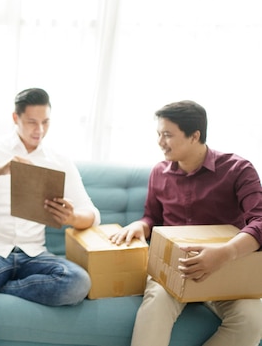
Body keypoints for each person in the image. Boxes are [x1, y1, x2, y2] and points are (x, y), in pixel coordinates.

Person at [110, 100, 262, 346]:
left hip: (225, 267)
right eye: (159, 134)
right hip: (173, 268)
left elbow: (260, 220)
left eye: (167, 135)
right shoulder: (159, 172)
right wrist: (142, 225)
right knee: (156, 304)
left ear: (194, 136)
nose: (160, 142)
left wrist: (226, 253)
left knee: (253, 320)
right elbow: (153, 217)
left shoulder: (238, 169)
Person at [0, 87, 101, 346]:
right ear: (16, 119)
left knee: (78, 283)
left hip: (34, 254)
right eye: (32, 122)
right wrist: (0, 170)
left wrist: (71, 217)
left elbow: (92, 215)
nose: (39, 130)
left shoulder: (58, 160)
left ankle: (2, 287)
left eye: (45, 122)